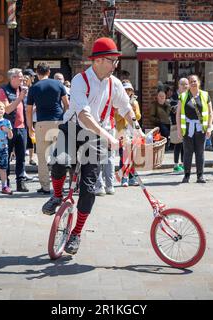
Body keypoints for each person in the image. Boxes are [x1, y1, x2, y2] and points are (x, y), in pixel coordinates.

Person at [42, 37, 143, 255]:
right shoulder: (80, 80)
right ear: (97, 61)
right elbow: (85, 116)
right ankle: (57, 195)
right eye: (112, 60)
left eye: (116, 60)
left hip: (96, 139)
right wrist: (110, 136)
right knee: (59, 161)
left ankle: (76, 233)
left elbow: (126, 108)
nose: (116, 64)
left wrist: (136, 127)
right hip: (74, 128)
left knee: (89, 189)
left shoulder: (114, 83)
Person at [27, 63, 69, 194]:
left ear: (37, 72)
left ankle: (45, 186)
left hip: (41, 123)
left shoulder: (34, 88)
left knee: (42, 157)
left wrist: (30, 127)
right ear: (49, 72)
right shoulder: (58, 84)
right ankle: (59, 185)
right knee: (59, 156)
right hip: (58, 121)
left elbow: (28, 110)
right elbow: (67, 105)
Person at [176, 75, 213, 183]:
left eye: (194, 81)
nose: (193, 83)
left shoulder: (205, 95)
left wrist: (210, 127)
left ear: (199, 82)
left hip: (201, 128)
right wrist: (178, 129)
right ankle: (186, 175)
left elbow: (211, 113)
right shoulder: (183, 96)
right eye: (190, 81)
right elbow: (178, 114)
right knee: (187, 152)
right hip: (187, 128)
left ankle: (200, 176)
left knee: (200, 152)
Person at [0, 68, 29, 192]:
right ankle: (6, 183)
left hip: (22, 128)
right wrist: (20, 98)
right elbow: (7, 109)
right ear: (12, 78)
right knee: (6, 156)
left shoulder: (23, 90)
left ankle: (21, 182)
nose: (22, 79)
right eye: (20, 77)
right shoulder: (3, 90)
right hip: (8, 128)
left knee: (21, 157)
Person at [115, 80, 141, 186]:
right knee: (124, 155)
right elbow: (116, 118)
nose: (127, 92)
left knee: (132, 155)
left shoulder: (135, 102)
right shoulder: (117, 102)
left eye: (129, 90)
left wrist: (133, 111)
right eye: (125, 89)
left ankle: (131, 177)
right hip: (121, 130)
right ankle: (123, 178)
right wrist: (125, 112)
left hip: (132, 131)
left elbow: (138, 116)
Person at [170, 78, 188, 173]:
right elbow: (173, 109)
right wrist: (181, 103)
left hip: (186, 123)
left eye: (186, 84)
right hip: (176, 123)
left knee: (184, 145)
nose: (185, 86)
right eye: (182, 84)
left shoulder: (189, 95)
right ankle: (176, 165)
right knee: (177, 144)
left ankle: (184, 164)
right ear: (178, 85)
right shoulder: (174, 96)